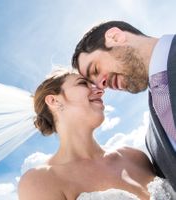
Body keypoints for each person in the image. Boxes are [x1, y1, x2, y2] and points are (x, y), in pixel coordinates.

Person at [18, 68, 175, 200]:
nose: (100, 90)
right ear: (53, 101)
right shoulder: (41, 181)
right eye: (82, 83)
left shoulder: (135, 156)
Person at [71, 21, 176, 190]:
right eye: (94, 84)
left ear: (115, 37)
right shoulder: (152, 142)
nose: (101, 85)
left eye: (95, 69)